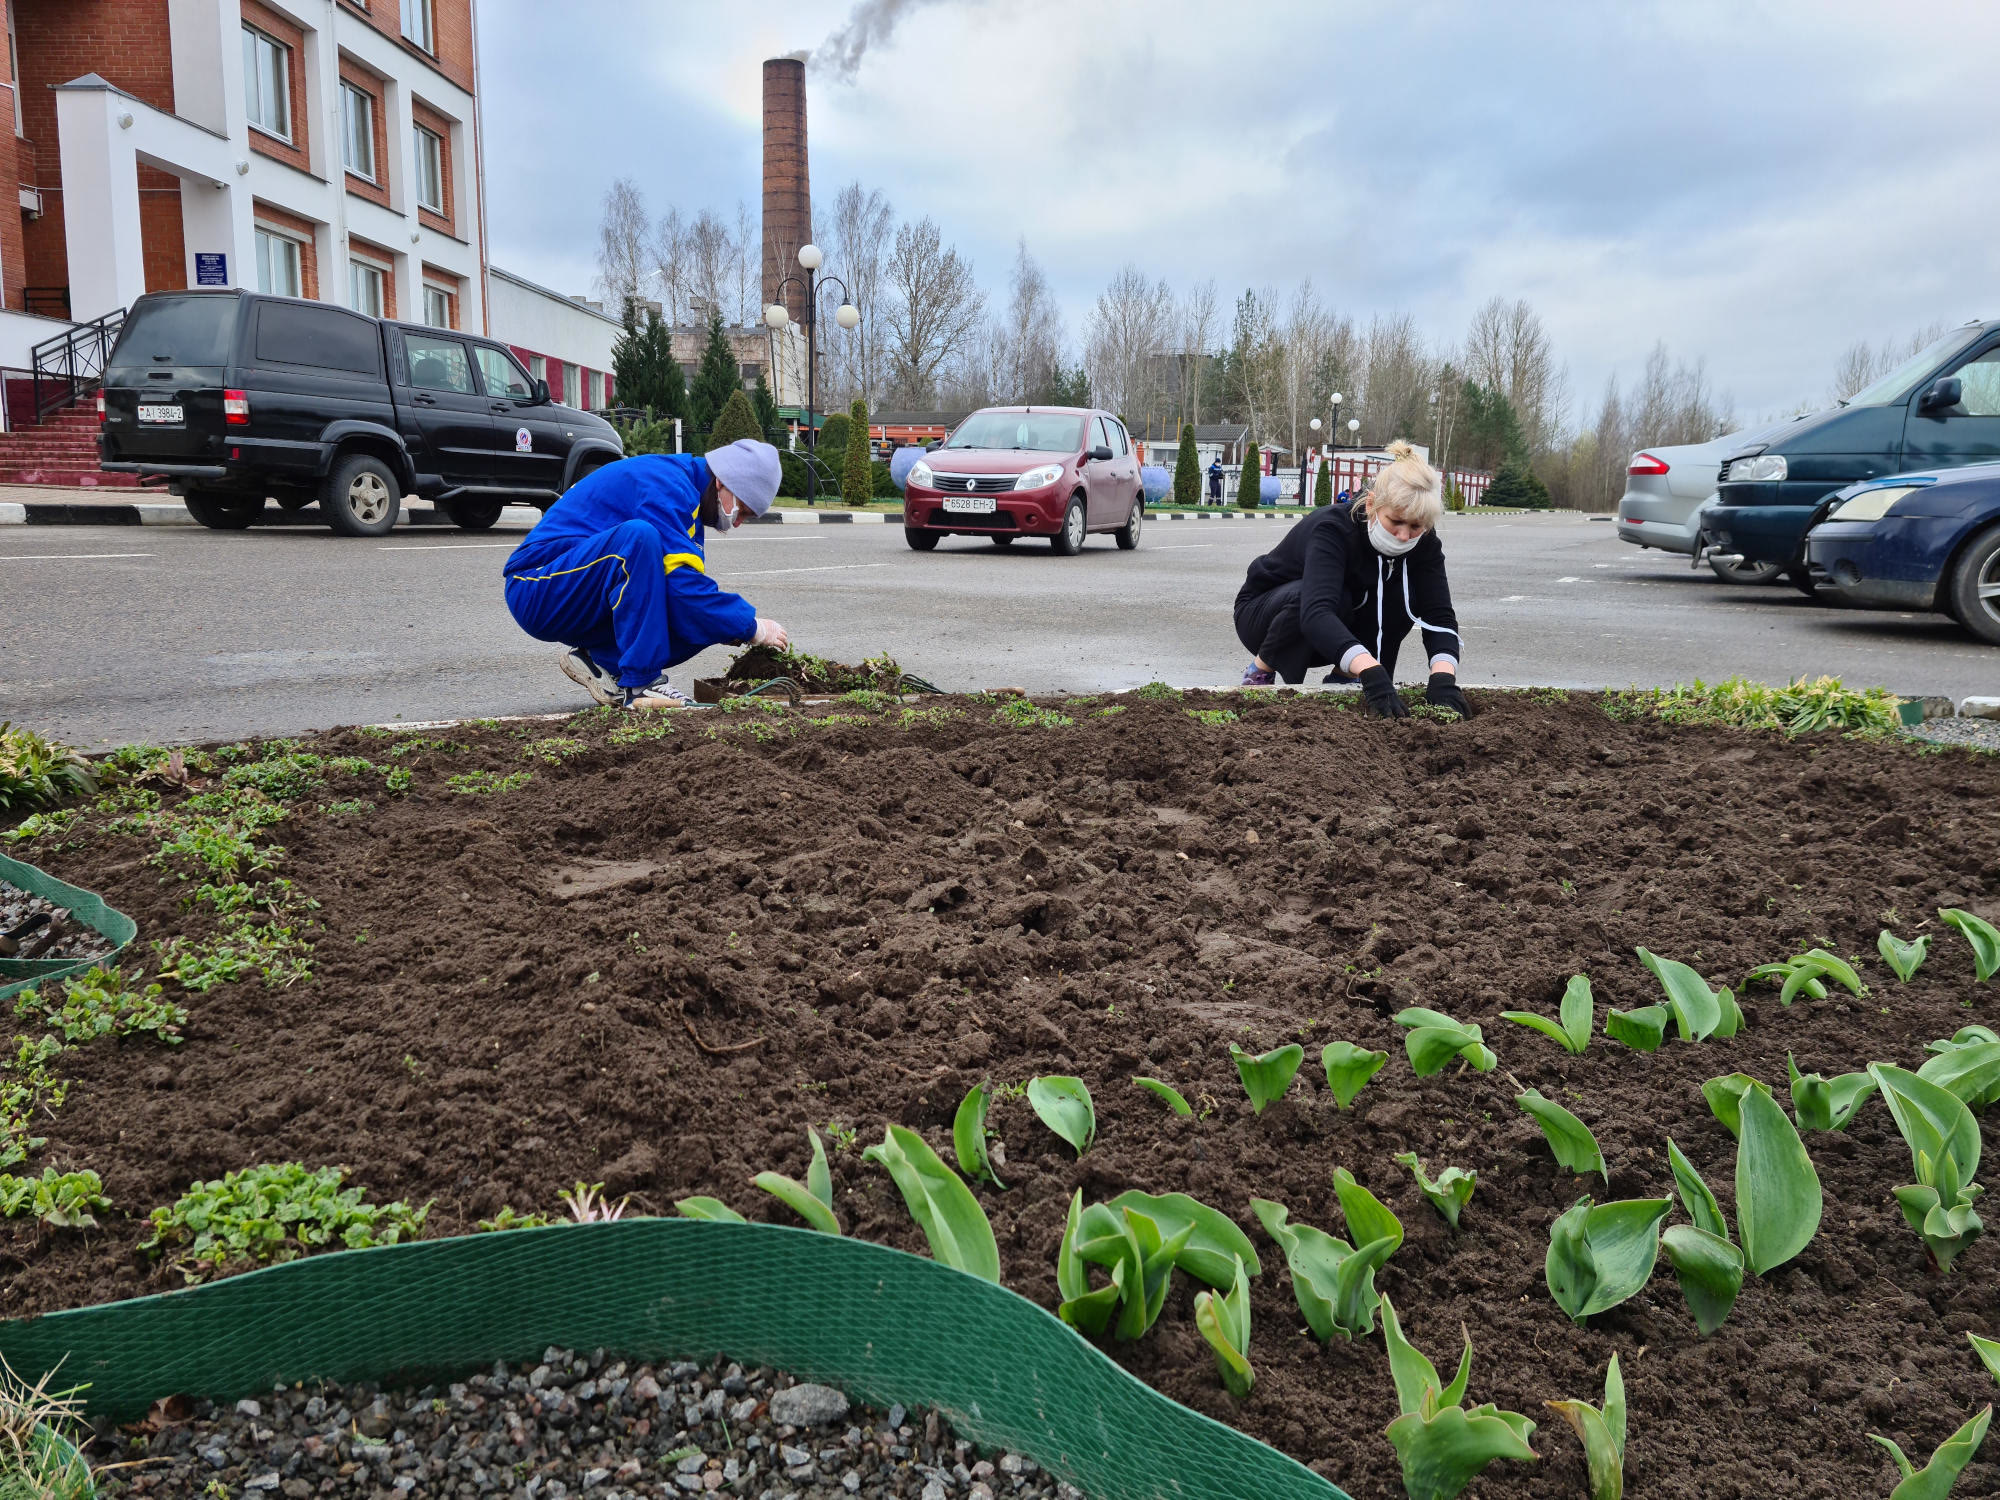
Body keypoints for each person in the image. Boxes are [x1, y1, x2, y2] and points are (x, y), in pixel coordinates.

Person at [502, 439, 789, 711]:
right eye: (742, 511)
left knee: (706, 617)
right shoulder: (667, 485)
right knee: (640, 539)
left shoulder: (690, 501)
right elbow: (683, 592)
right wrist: (751, 627)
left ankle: (603, 661)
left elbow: (687, 598)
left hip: (574, 589)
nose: (737, 523)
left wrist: (733, 625)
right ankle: (641, 684)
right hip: (536, 585)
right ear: (722, 482)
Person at [1233, 439, 1469, 719]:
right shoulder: (1332, 528)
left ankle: (1346, 677)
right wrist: (1370, 670)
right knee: (1336, 597)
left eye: (1416, 526)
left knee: (1402, 593)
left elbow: (1439, 614)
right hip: (1267, 614)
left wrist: (1443, 678)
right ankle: (1260, 670)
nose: (1404, 536)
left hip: (1333, 628)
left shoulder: (1426, 544)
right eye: (1396, 522)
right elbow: (1316, 612)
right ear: (1372, 505)